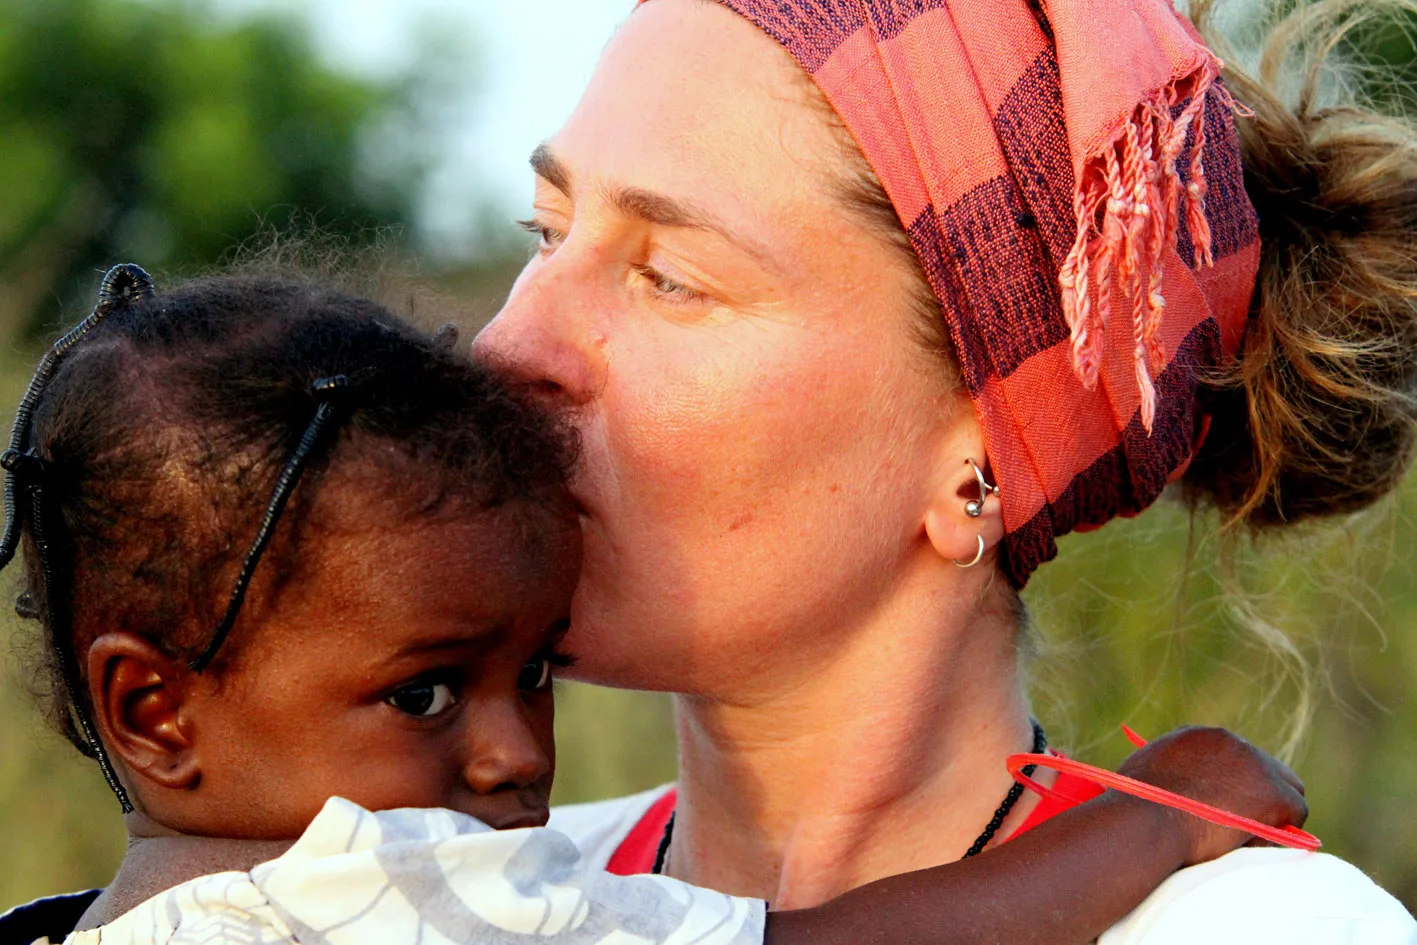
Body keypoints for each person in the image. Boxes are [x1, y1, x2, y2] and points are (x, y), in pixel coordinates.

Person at [0, 265, 1310, 945]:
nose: (516, 752)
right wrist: (1151, 827)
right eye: (426, 693)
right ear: (153, 709)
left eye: (538, 672)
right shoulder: (397, 895)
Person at [473, 0, 1417, 940]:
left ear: (978, 461)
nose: (502, 344)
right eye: (545, 232)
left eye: (670, 276)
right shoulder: (463, 890)